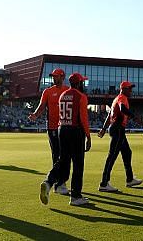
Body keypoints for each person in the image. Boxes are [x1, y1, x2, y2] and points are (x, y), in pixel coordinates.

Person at [40, 73, 92, 206]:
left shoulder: (63, 95)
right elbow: (83, 118)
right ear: (79, 83)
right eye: (83, 83)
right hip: (75, 130)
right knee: (78, 164)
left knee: (62, 161)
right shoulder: (81, 96)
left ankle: (49, 181)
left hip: (61, 129)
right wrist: (88, 136)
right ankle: (75, 196)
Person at [29, 68, 70, 195]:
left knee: (63, 155)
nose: (54, 78)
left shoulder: (68, 90)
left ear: (62, 77)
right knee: (56, 154)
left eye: (56, 76)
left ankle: (57, 182)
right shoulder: (48, 91)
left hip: (64, 127)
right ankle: (59, 182)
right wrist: (35, 115)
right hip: (52, 127)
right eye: (53, 76)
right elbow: (42, 106)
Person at [97, 81, 142, 192]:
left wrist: (103, 129)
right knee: (112, 156)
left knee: (127, 152)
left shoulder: (116, 99)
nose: (131, 91)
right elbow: (122, 108)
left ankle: (130, 179)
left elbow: (109, 115)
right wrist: (134, 116)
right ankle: (104, 183)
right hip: (118, 129)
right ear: (124, 89)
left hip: (116, 128)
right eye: (129, 89)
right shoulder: (122, 98)